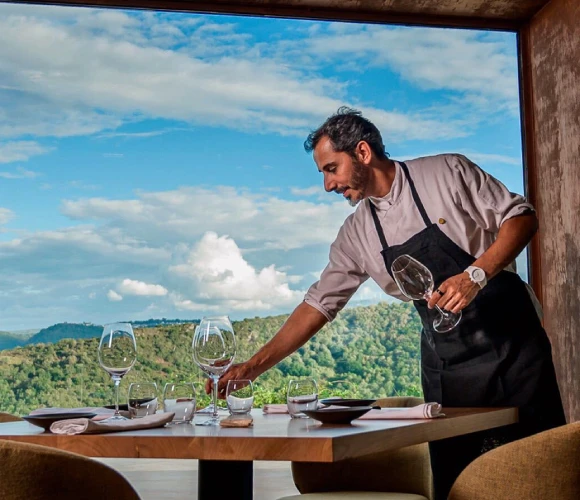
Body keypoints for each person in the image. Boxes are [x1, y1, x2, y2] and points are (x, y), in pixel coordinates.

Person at [207, 107, 566, 499]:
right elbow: (318, 305)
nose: (328, 185)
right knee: (457, 485)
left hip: (514, 348)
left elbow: (522, 217)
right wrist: (252, 368)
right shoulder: (356, 233)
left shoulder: (446, 173)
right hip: (446, 365)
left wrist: (474, 276)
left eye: (332, 169)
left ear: (362, 152)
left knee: (537, 473)